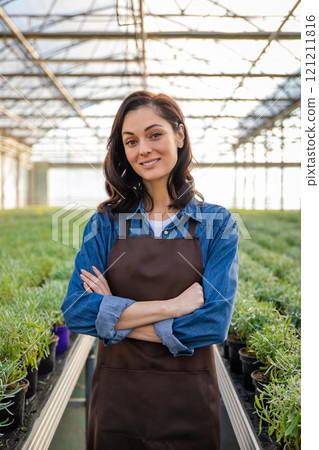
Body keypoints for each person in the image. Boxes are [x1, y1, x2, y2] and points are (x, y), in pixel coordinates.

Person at [61, 91, 239, 450]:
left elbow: (212, 323)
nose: (143, 149)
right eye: (131, 141)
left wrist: (113, 314)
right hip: (118, 404)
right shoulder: (105, 223)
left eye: (154, 134)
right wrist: (174, 307)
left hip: (187, 403)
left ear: (180, 136)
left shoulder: (217, 223)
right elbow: (77, 311)